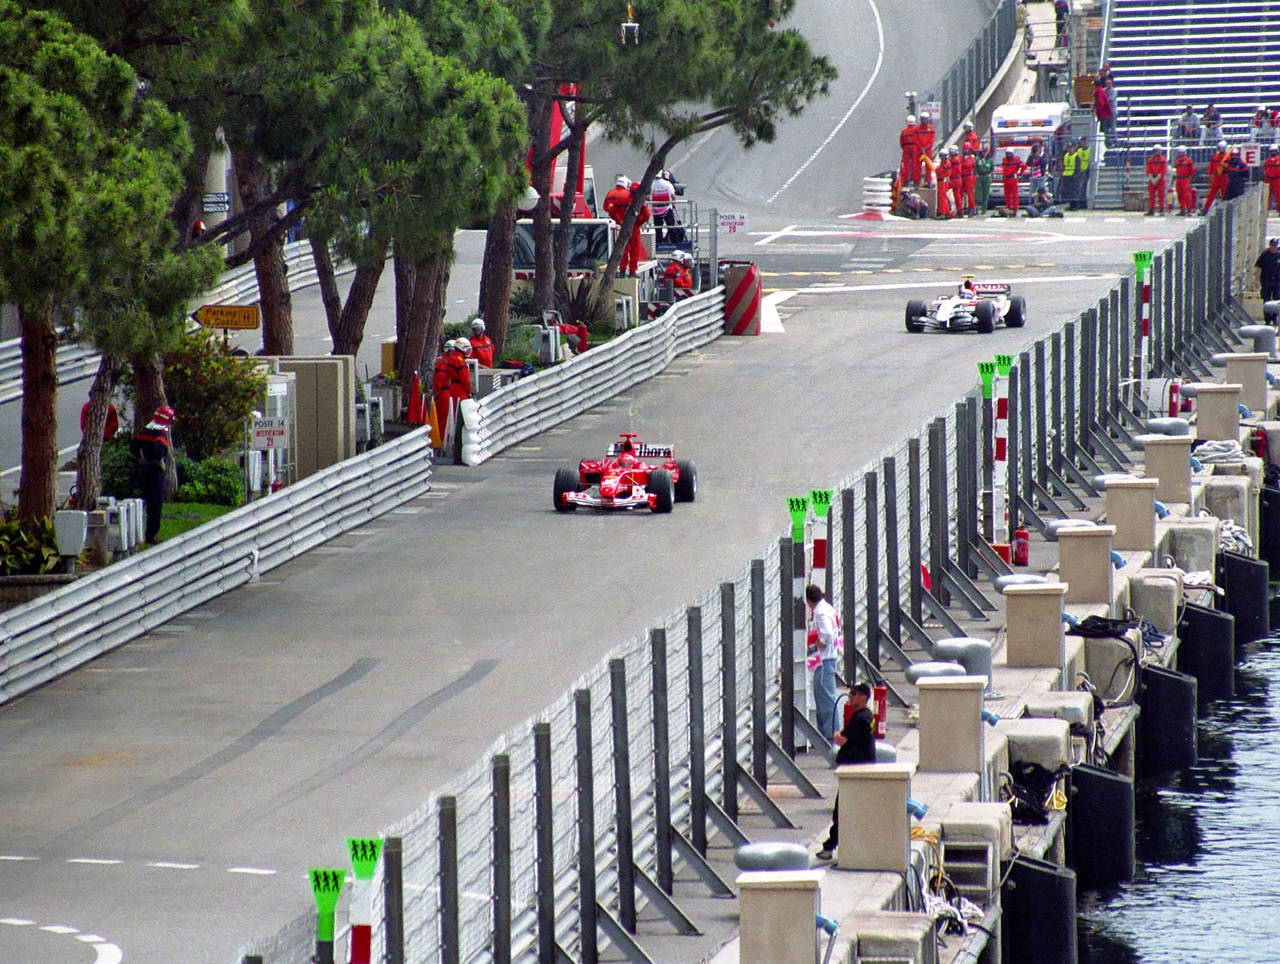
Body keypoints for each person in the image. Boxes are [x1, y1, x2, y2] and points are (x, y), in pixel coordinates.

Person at [814, 682, 876, 862]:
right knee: (849, 810)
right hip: (860, 770)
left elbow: (841, 739)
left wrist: (836, 736)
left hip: (854, 772)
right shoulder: (866, 716)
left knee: (842, 811)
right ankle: (836, 845)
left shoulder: (859, 719)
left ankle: (829, 847)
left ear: (863, 697)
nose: (850, 696)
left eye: (854, 693)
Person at [131, 405, 175, 545]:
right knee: (155, 504)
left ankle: (143, 533)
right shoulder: (160, 435)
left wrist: (139, 458)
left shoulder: (145, 431)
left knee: (147, 501)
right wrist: (160, 461)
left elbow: (134, 445)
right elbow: (158, 449)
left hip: (145, 469)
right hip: (155, 472)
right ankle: (151, 535)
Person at [805, 584, 841, 743]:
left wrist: (821, 642)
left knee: (826, 698)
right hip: (826, 659)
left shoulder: (820, 613)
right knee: (823, 698)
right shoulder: (826, 608)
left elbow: (827, 633)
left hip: (824, 660)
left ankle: (830, 736)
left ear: (808, 600)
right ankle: (825, 735)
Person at [603, 176, 648, 277]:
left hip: (622, 226)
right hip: (634, 227)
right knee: (634, 250)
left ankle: (622, 270)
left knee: (623, 249)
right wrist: (639, 223)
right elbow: (647, 214)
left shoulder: (613, 195)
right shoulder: (636, 200)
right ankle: (632, 271)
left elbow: (609, 209)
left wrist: (618, 221)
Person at [649, 170, 677, 243]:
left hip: (656, 210)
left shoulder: (651, 184)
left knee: (658, 229)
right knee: (671, 226)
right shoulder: (667, 184)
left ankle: (658, 244)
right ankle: (674, 242)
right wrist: (672, 202)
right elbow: (673, 196)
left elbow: (648, 197)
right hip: (667, 208)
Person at [1202, 141, 1230, 212]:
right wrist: (1210, 174)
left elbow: (1229, 166)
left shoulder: (1228, 157)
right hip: (1216, 177)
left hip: (1224, 176)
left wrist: (1223, 165)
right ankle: (1206, 208)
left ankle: (1224, 209)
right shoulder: (1215, 156)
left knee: (1224, 194)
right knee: (1211, 194)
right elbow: (1211, 166)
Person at [999, 150, 1026, 214]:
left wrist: (1019, 173)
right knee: (1007, 194)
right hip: (1006, 178)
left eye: (1009, 154)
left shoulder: (1016, 160)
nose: (1008, 155)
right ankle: (1008, 208)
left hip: (1013, 178)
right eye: (1007, 154)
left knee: (1014, 194)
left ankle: (1015, 208)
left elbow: (1024, 166)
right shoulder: (1004, 160)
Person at [1174, 146, 1197, 215]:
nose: (1178, 154)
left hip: (1185, 179)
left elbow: (1192, 171)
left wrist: (1188, 176)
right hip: (1178, 179)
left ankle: (1189, 209)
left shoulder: (1188, 161)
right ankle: (1182, 209)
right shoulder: (1177, 161)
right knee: (1180, 194)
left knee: (1186, 195)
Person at [1145, 144, 1168, 215]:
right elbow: (1148, 170)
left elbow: (1163, 171)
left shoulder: (1163, 160)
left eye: (1157, 151)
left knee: (1161, 195)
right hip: (1152, 179)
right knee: (1151, 195)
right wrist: (1152, 179)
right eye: (1155, 151)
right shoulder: (1150, 160)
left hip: (1160, 179)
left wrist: (1156, 179)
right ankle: (1151, 210)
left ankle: (1161, 209)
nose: (1156, 153)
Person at [1093, 78, 1116, 147]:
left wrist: (1096, 112)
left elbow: (1101, 104)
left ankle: (1110, 143)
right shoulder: (1102, 90)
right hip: (1107, 113)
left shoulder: (1100, 91)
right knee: (1108, 129)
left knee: (1107, 129)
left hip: (1104, 114)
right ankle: (1111, 142)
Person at [1257, 237, 1280, 302]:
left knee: (1277, 299)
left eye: (1275, 246)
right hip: (1266, 280)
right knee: (1266, 298)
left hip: (1276, 280)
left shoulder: (1278, 254)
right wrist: (1257, 280)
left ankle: (1276, 312)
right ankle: (1267, 312)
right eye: (1273, 246)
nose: (1274, 247)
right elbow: (1257, 267)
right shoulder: (1265, 254)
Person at [899, 114, 920, 186]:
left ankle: (906, 180)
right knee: (915, 164)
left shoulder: (904, 131)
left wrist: (905, 148)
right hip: (915, 147)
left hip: (906, 148)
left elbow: (901, 142)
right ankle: (915, 180)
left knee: (906, 165)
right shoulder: (917, 130)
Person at [1073, 137, 1091, 209]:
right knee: (1079, 187)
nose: (1082, 144)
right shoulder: (1079, 151)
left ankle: (1084, 203)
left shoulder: (1089, 150)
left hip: (1087, 170)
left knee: (1085, 187)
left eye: (1083, 142)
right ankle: (1080, 202)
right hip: (1080, 171)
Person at [974, 146, 994, 213]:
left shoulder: (990, 160)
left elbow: (992, 169)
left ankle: (984, 209)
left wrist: (991, 174)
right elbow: (975, 168)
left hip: (986, 177)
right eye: (983, 151)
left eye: (986, 151)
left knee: (985, 194)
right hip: (980, 177)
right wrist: (976, 174)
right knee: (977, 194)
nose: (984, 153)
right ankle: (975, 208)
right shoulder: (978, 159)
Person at [934, 149, 953, 218]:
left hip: (943, 182)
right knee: (943, 197)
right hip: (942, 181)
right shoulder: (944, 163)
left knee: (942, 198)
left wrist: (937, 169)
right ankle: (946, 212)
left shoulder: (946, 163)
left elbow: (939, 171)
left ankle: (943, 213)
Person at [959, 144, 977, 215]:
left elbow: (970, 165)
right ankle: (960, 208)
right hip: (962, 177)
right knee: (960, 193)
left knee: (970, 193)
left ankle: (972, 208)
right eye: (964, 149)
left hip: (969, 177)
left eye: (967, 149)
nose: (965, 151)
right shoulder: (961, 158)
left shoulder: (972, 158)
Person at [948, 146, 965, 215]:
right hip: (957, 179)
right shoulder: (957, 159)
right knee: (957, 196)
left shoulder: (954, 160)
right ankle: (960, 210)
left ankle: (947, 209)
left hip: (955, 180)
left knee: (943, 192)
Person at [1264, 146, 1280, 215]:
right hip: (1269, 179)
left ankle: (1279, 210)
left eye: (1274, 151)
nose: (1273, 152)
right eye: (1272, 151)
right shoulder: (1267, 161)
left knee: (1278, 195)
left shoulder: (1279, 160)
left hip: (1277, 179)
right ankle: (1266, 210)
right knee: (1267, 196)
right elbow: (1265, 170)